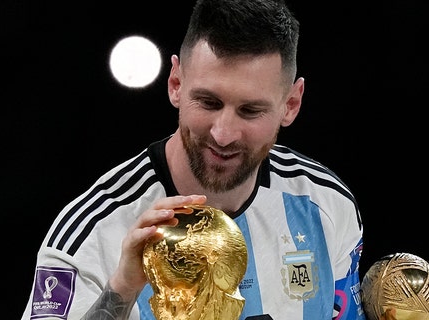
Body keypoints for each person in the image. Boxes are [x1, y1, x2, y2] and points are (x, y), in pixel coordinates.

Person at [21, 0, 365, 319]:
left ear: (290, 105)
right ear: (175, 84)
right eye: (209, 102)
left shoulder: (326, 205)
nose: (224, 133)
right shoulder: (93, 231)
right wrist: (122, 289)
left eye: (250, 111)